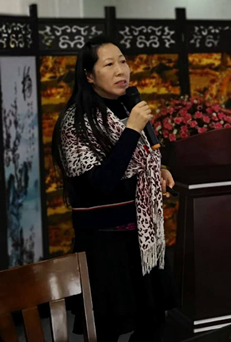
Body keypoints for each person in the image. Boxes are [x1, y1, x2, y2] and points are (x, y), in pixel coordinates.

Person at [51, 35, 178, 341]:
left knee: (154, 324)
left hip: (144, 241)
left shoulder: (126, 106)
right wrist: (132, 130)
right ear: (89, 75)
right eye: (109, 64)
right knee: (107, 331)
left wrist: (158, 170)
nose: (121, 70)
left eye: (123, 61)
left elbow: (136, 162)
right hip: (106, 247)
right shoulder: (75, 122)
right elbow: (101, 184)